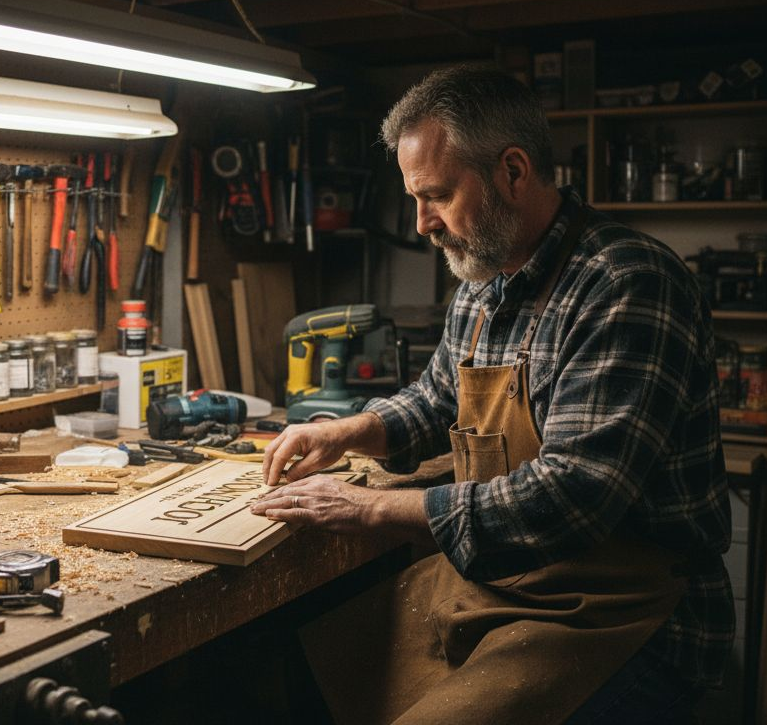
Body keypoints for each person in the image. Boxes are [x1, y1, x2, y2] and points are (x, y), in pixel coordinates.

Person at [249, 65, 734, 724]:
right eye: (415, 199)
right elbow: (435, 400)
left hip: (628, 616)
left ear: (512, 171)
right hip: (510, 584)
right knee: (297, 668)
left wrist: (366, 508)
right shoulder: (483, 281)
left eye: (438, 196)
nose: (422, 224)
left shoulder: (624, 284)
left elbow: (571, 498)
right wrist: (345, 431)